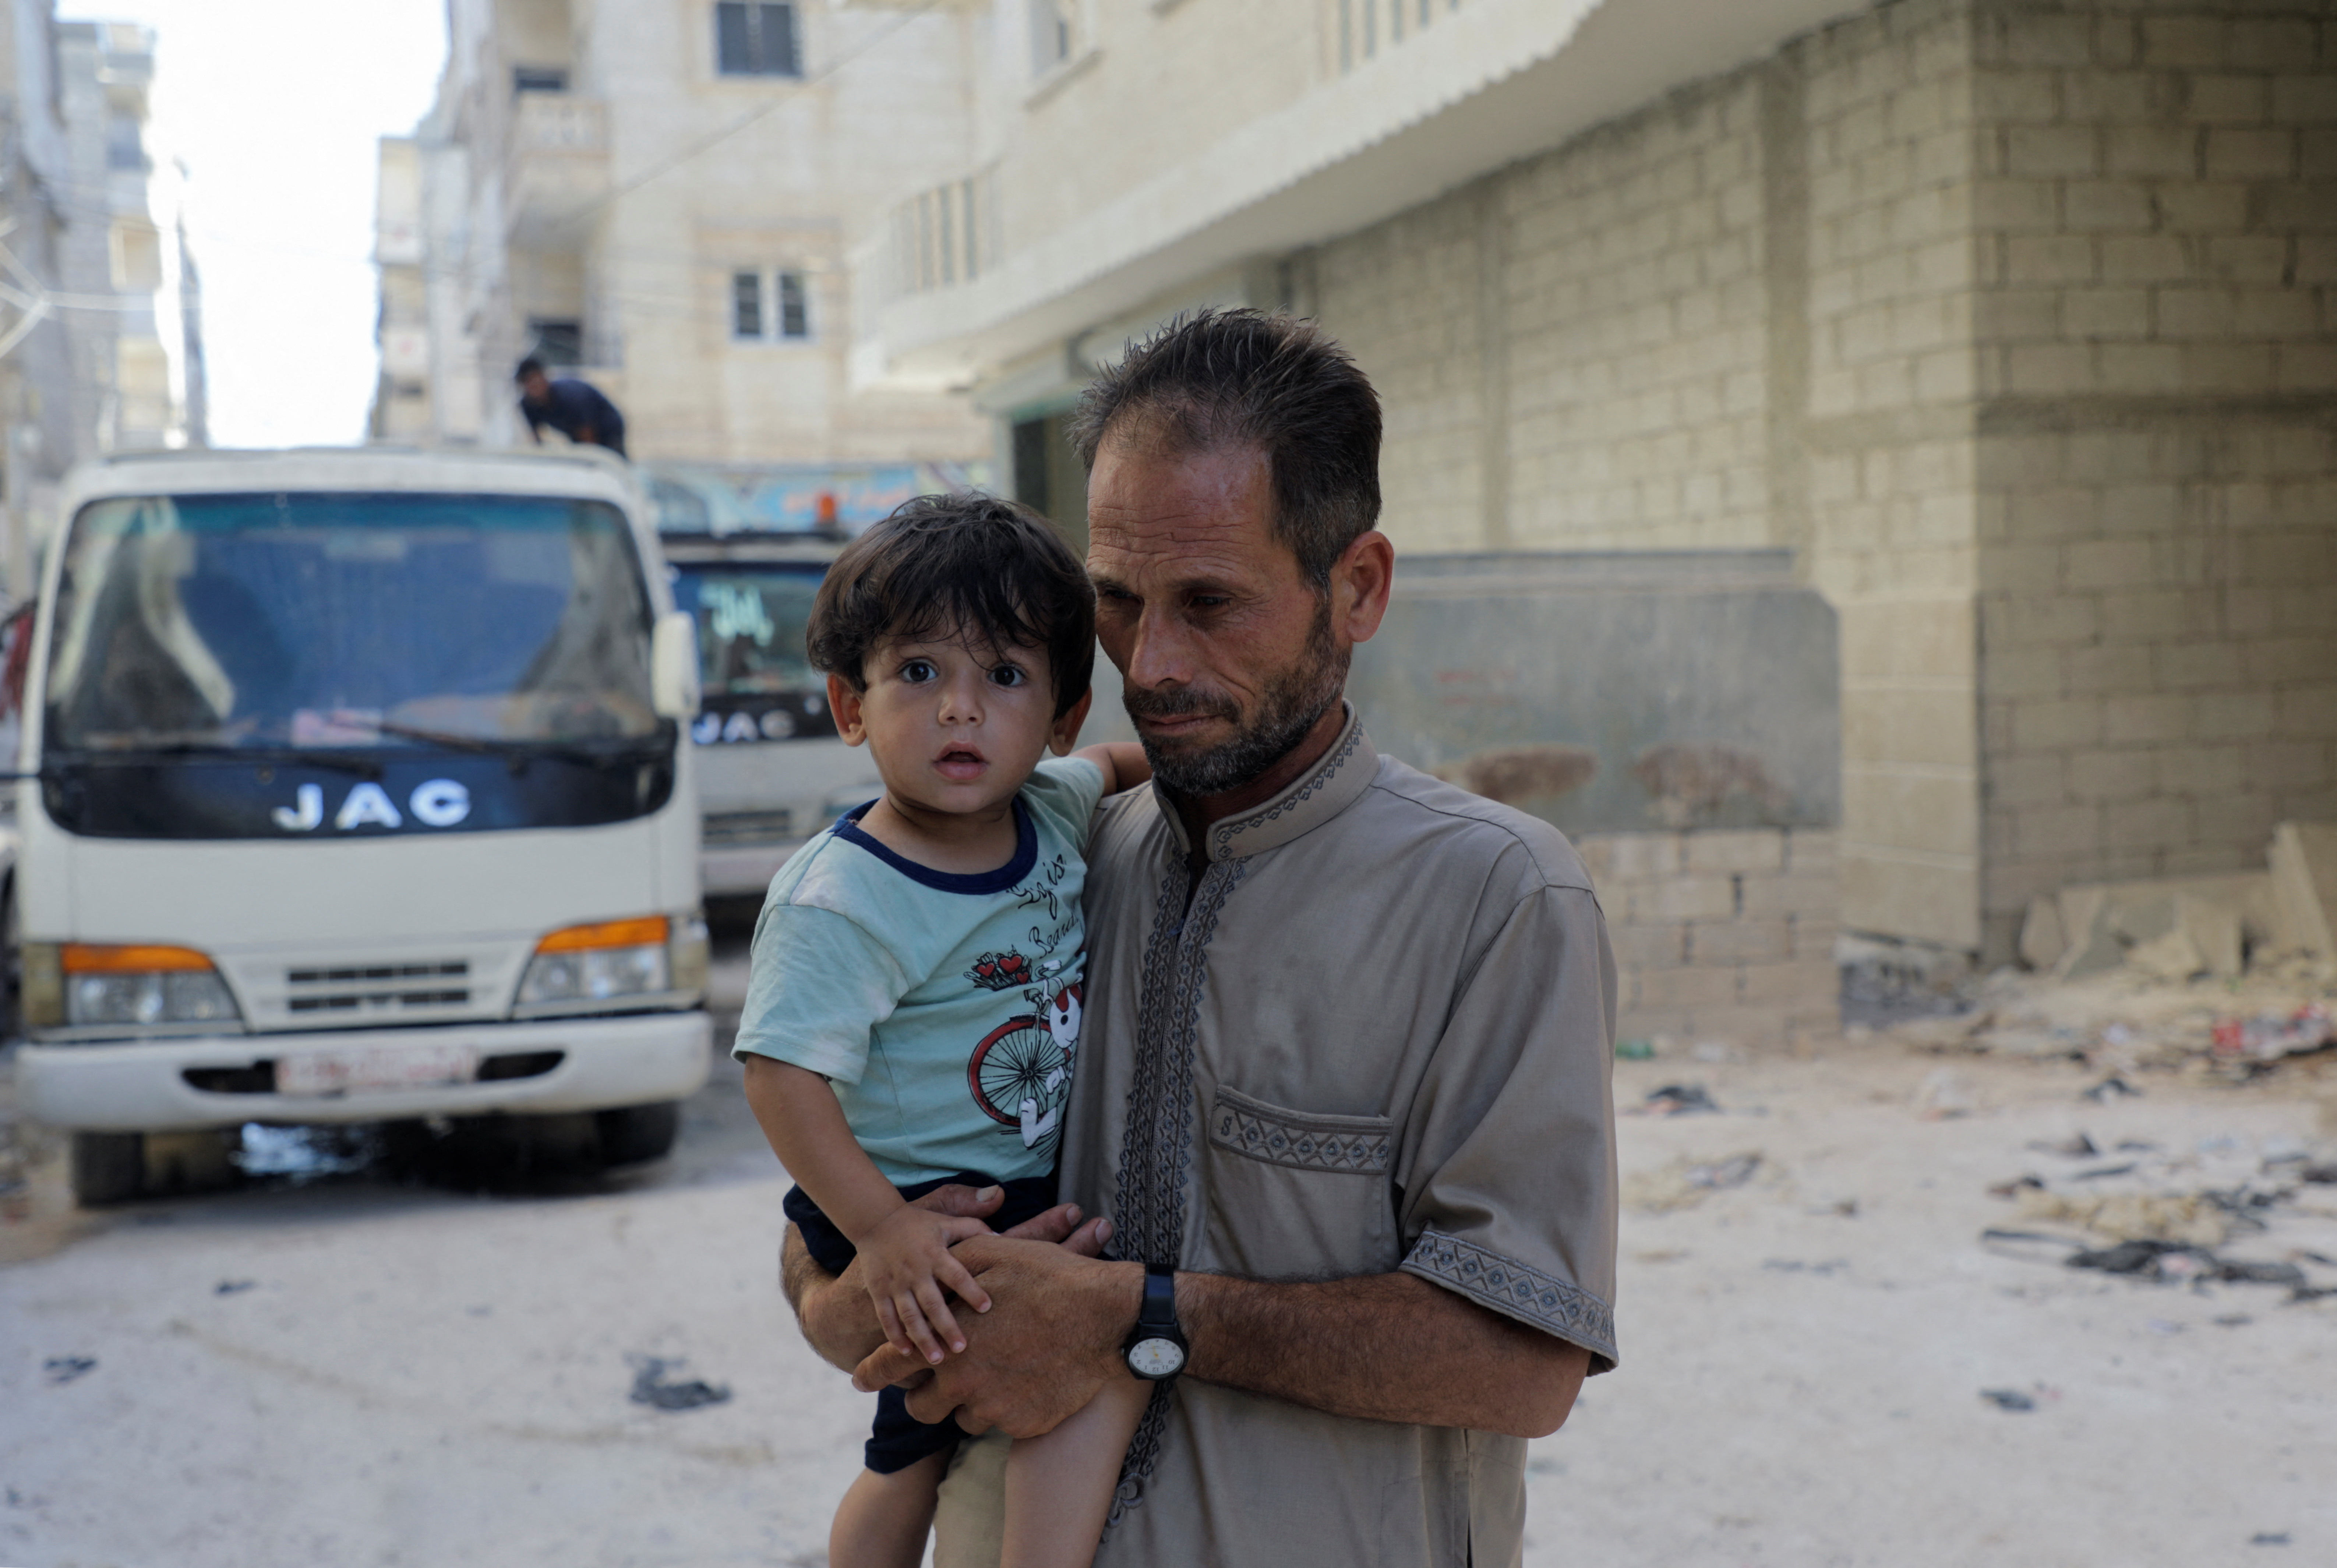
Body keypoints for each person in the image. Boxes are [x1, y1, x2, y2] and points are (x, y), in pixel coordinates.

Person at [783, 310, 1621, 1568]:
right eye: (1117, 601)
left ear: (1356, 587)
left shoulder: (1491, 897)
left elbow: (1523, 1365)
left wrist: (1134, 1319)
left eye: (1210, 603)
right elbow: (833, 1221)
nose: (1153, 663)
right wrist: (845, 1301)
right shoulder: (1048, 859)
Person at [734, 493, 1155, 1568]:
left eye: (1004, 677)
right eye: (918, 672)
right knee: (1081, 1373)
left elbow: (1114, 766)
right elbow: (781, 1073)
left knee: (922, 1438)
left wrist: (1200, 771)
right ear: (848, 704)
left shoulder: (1054, 806)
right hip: (891, 1203)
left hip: (1001, 1193)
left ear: (1057, 715)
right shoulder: (843, 897)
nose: (960, 710)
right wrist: (881, 1231)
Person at [514, 357, 627, 457]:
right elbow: (537, 440)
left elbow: (588, 439)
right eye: (528, 383)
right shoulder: (528, 405)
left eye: (536, 381)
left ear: (544, 378)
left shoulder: (571, 396)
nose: (534, 388)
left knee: (610, 460)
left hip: (607, 429)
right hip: (576, 433)